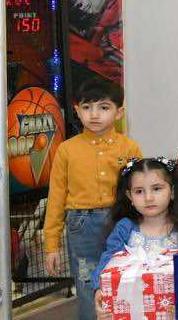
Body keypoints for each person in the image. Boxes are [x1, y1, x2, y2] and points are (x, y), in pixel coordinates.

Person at [43, 78, 142, 320]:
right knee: (87, 282)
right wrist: (51, 244)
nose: (94, 114)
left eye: (103, 107)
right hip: (81, 225)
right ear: (77, 110)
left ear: (119, 112)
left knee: (125, 278)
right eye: (87, 107)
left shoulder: (130, 148)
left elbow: (141, 191)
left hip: (122, 221)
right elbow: (56, 197)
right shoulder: (66, 150)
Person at [91, 158, 178, 320]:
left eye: (157, 189)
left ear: (172, 191)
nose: (148, 197)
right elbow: (108, 261)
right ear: (129, 196)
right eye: (139, 191)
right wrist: (99, 289)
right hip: (132, 310)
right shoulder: (125, 228)